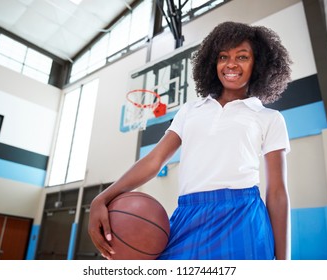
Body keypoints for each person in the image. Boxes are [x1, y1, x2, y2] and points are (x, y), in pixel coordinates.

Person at [88, 21, 292, 260]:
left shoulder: (269, 118)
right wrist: (102, 198)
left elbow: (277, 192)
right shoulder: (190, 110)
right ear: (212, 63)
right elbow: (155, 161)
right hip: (189, 214)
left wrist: (283, 262)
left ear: (258, 64)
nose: (231, 64)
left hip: (243, 216)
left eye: (243, 57)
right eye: (223, 56)